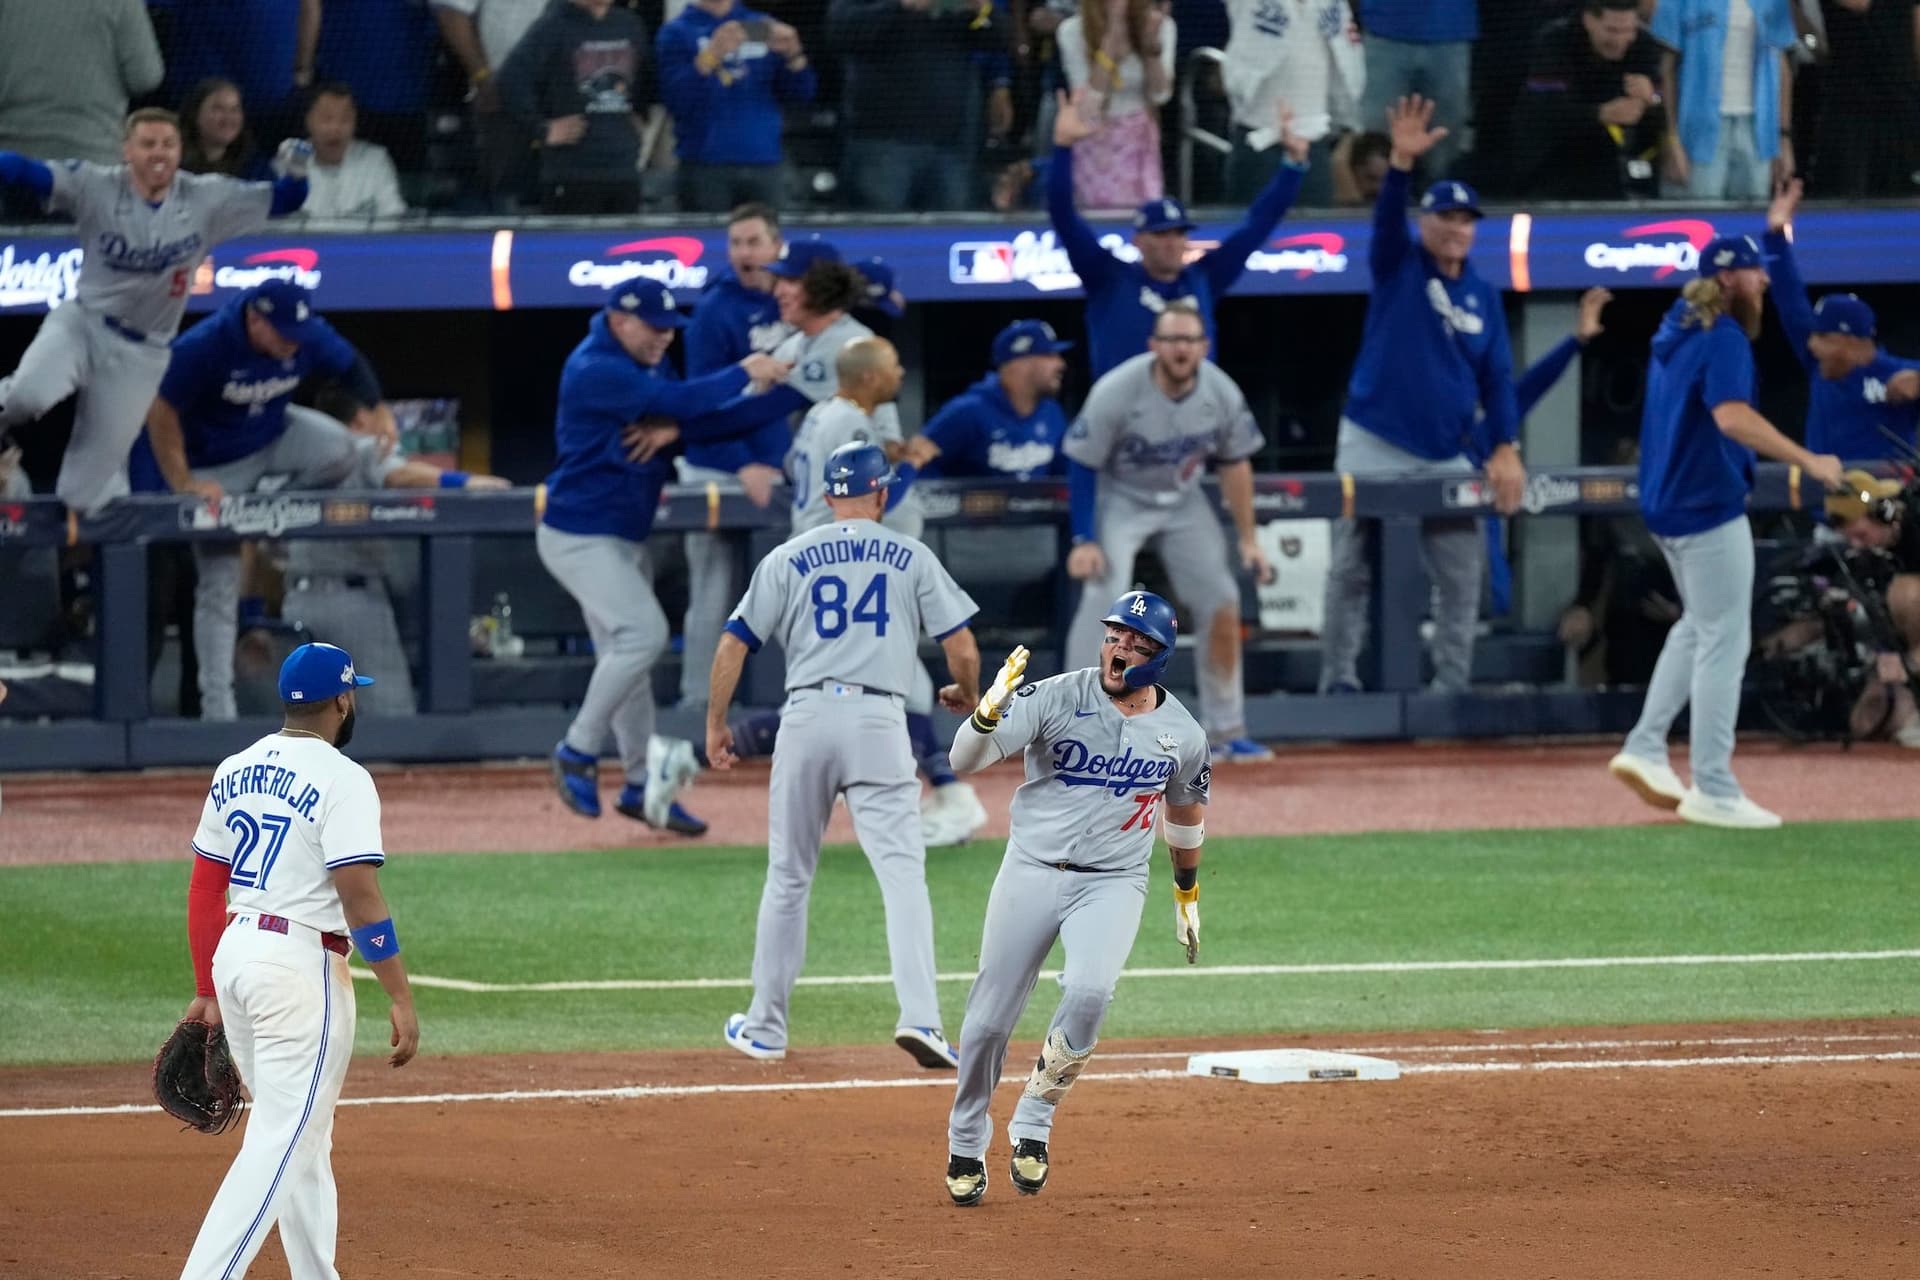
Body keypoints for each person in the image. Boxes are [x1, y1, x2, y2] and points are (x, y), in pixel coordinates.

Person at [707, 441, 981, 1067]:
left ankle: (767, 1027)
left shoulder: (789, 555)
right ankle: (923, 1021)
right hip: (880, 721)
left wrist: (715, 724)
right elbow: (960, 644)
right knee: (903, 875)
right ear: (882, 494)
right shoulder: (910, 555)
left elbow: (732, 644)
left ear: (829, 496)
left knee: (789, 877)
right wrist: (964, 693)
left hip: (804, 719)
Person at [940, 588, 1210, 1206]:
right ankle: (964, 1140)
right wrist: (986, 712)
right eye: (1115, 636)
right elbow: (964, 761)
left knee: (1091, 990)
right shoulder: (1055, 695)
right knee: (987, 1020)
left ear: (1159, 656)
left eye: (1136, 643)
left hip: (1114, 881)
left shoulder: (1183, 734)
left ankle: (1034, 1120)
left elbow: (1186, 811)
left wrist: (1187, 892)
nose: (1119, 649)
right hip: (1030, 870)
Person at [176, 642, 419, 1278]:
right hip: (298, 974)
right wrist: (399, 994)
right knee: (281, 1143)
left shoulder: (235, 767)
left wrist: (206, 988)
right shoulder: (344, 778)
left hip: (238, 958)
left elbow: (207, 886)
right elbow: (360, 896)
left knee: (303, 1141)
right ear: (342, 700)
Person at [1606, 233, 1844, 830]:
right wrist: (1809, 461)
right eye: (1755, 274)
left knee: (1699, 627)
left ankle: (1645, 745)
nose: (1763, 282)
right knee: (1725, 640)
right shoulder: (1724, 336)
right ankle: (1713, 783)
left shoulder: (1679, 325)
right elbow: (1733, 418)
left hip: (1666, 505)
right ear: (1732, 279)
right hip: (1705, 506)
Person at [542, 284, 789, 836]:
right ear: (619, 321)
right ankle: (577, 749)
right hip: (579, 536)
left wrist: (781, 395)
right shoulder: (596, 366)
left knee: (625, 660)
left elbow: (690, 418)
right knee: (642, 635)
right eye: (653, 325)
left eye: (669, 325)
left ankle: (639, 785)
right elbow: (685, 402)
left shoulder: (646, 362)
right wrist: (745, 371)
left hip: (620, 536)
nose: (665, 334)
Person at [0, 109, 312, 515]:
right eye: (148, 144)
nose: (159, 153)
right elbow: (26, 172)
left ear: (180, 150)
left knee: (84, 497)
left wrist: (299, 173)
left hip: (143, 353)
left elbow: (285, 200)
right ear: (126, 151)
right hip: (84, 324)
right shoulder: (96, 185)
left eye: (168, 144)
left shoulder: (206, 197)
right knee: (28, 395)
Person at [1316, 95, 1526, 696]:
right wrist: (1402, 167)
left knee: (1463, 572)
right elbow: (1385, 224)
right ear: (1426, 223)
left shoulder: (1483, 295)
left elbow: (1498, 380)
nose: (1457, 229)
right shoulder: (1398, 263)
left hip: (1443, 451)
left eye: (1466, 221)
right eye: (1445, 219)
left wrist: (1506, 445)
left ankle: (1451, 689)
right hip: (1374, 439)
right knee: (1350, 569)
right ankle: (1339, 683)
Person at [135, 281, 387, 722]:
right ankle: (218, 713)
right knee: (219, 585)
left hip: (274, 438)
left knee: (344, 450)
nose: (294, 342)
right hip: (216, 467)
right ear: (255, 319)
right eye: (283, 332)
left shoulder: (306, 334)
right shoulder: (206, 344)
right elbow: (160, 410)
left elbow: (350, 365)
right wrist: (183, 481)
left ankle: (270, 504)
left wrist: (378, 409)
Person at [1060, 301, 1273, 762]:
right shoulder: (1119, 389)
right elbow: (1082, 462)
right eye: (1172, 340)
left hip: (1183, 499)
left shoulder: (1220, 391)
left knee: (1220, 596)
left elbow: (1236, 463)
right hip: (1121, 497)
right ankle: (1077, 716)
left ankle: (1226, 728)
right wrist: (1084, 538)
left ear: (1204, 347)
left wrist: (1249, 539)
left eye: (1190, 340)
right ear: (1155, 346)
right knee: (1104, 595)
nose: (1181, 349)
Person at [1048, 87, 1309, 377]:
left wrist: (1293, 166)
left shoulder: (1204, 278)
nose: (1171, 243)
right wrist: (1063, 148)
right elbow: (1064, 218)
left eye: (1178, 234)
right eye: (1160, 235)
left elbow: (1258, 224)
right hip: (1124, 417)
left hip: (1192, 414)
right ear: (1138, 241)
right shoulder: (1108, 277)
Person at [281, 413, 511, 716]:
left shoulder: (297, 454)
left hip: (295, 601)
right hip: (353, 601)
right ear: (361, 417)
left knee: (312, 718)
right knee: (390, 712)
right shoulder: (361, 447)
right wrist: (465, 481)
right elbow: (401, 476)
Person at [677, 202, 791, 712]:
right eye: (736, 244)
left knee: (790, 592)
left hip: (776, 468)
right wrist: (743, 463)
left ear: (776, 246)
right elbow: (700, 405)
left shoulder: (791, 300)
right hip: (714, 466)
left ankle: (794, 704)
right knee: (714, 592)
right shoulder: (713, 312)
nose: (744, 253)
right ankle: (698, 705)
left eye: (754, 242)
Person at [1763, 178, 1920, 464]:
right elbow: (1790, 298)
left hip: (1886, 501)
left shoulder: (1897, 372)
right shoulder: (1821, 365)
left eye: (1823, 338)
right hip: (1822, 500)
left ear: (1850, 342)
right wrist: (1776, 234)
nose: (1811, 344)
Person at [655, 0, 815, 212]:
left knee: (767, 239)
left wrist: (794, 55)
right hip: (705, 163)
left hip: (765, 159)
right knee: (710, 242)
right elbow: (676, 100)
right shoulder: (678, 31)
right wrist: (711, 55)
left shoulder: (760, 25)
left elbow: (801, 95)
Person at [496, 0, 652, 214]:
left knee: (623, 246)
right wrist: (542, 128)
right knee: (574, 247)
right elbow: (511, 79)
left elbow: (644, 77)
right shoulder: (554, 24)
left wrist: (639, 117)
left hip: (623, 167)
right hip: (572, 171)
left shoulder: (629, 24)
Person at [1510, 0, 1667, 200]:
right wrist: (1601, 114)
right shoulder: (1555, 42)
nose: (1620, 40)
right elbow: (1542, 113)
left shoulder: (1644, 45)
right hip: (1556, 164)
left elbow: (1659, 107)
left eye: (1627, 30)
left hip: (1621, 169)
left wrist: (1652, 98)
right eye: (1612, 30)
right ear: (1589, 20)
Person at [1651, 0, 1796, 201]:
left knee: (1750, 223)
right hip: (1697, 131)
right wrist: (1671, 138)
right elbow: (1666, 70)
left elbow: (1781, 65)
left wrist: (1783, 139)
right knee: (1699, 220)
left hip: (1757, 132)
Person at [906, 319, 1073, 481]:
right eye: (1050, 356)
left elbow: (1063, 474)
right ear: (1019, 363)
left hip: (1036, 509)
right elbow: (920, 464)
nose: (1060, 364)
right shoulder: (967, 412)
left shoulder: (1052, 412)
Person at [1054, 0, 1177, 208]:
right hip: (1092, 140)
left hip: (1139, 142)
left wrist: (1150, 52)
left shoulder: (1161, 26)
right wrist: (1111, 41)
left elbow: (1161, 96)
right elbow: (1088, 108)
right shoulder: (1071, 31)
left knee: (1144, 216)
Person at [297, 82, 409, 221]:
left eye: (345, 119)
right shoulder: (289, 163)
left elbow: (395, 217)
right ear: (308, 121)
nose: (336, 128)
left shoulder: (376, 160)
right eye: (327, 119)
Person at [178, 77, 268, 179]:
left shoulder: (255, 167)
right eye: (218, 108)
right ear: (195, 114)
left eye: (234, 109)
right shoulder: (174, 162)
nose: (228, 118)